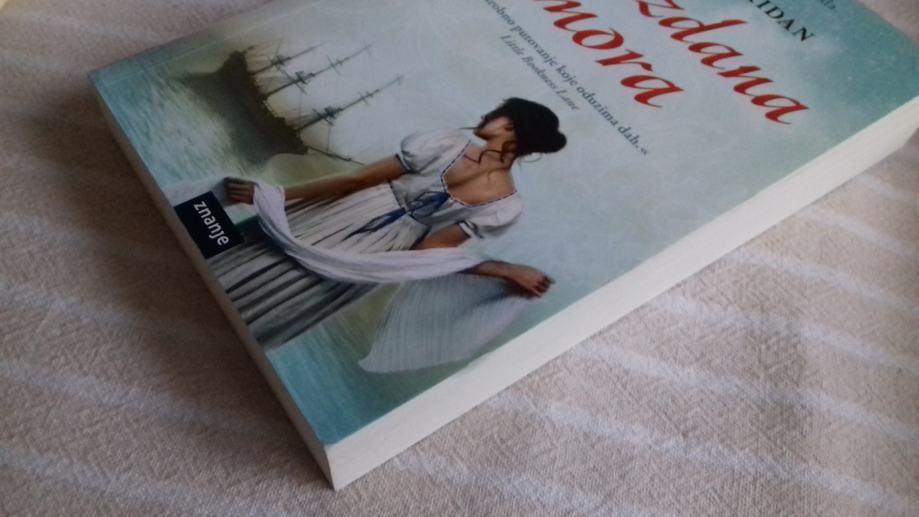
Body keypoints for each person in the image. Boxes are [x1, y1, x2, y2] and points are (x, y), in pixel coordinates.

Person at [212, 97, 567, 350]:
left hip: (348, 210)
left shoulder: (446, 143)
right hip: (383, 251)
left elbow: (355, 181)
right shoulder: (506, 204)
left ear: (508, 125)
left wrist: (275, 195)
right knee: (289, 291)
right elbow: (431, 253)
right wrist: (505, 270)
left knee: (256, 258)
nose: (485, 115)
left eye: (495, 113)